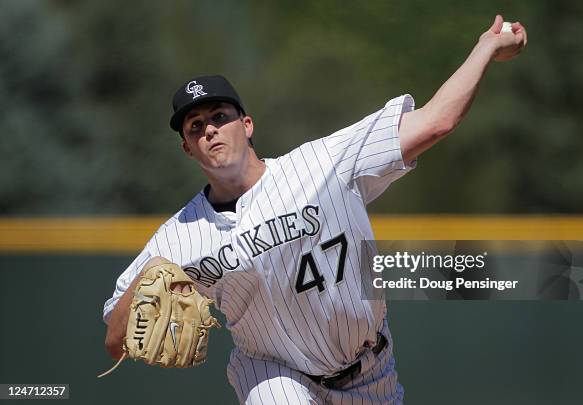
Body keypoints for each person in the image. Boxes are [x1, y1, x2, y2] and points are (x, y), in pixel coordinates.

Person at [103, 15, 527, 404]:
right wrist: (146, 279)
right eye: (195, 127)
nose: (210, 129)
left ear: (246, 126)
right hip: (272, 374)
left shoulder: (324, 163)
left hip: (371, 372)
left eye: (219, 115)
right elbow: (114, 340)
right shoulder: (178, 237)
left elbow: (436, 121)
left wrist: (486, 47)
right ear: (187, 147)